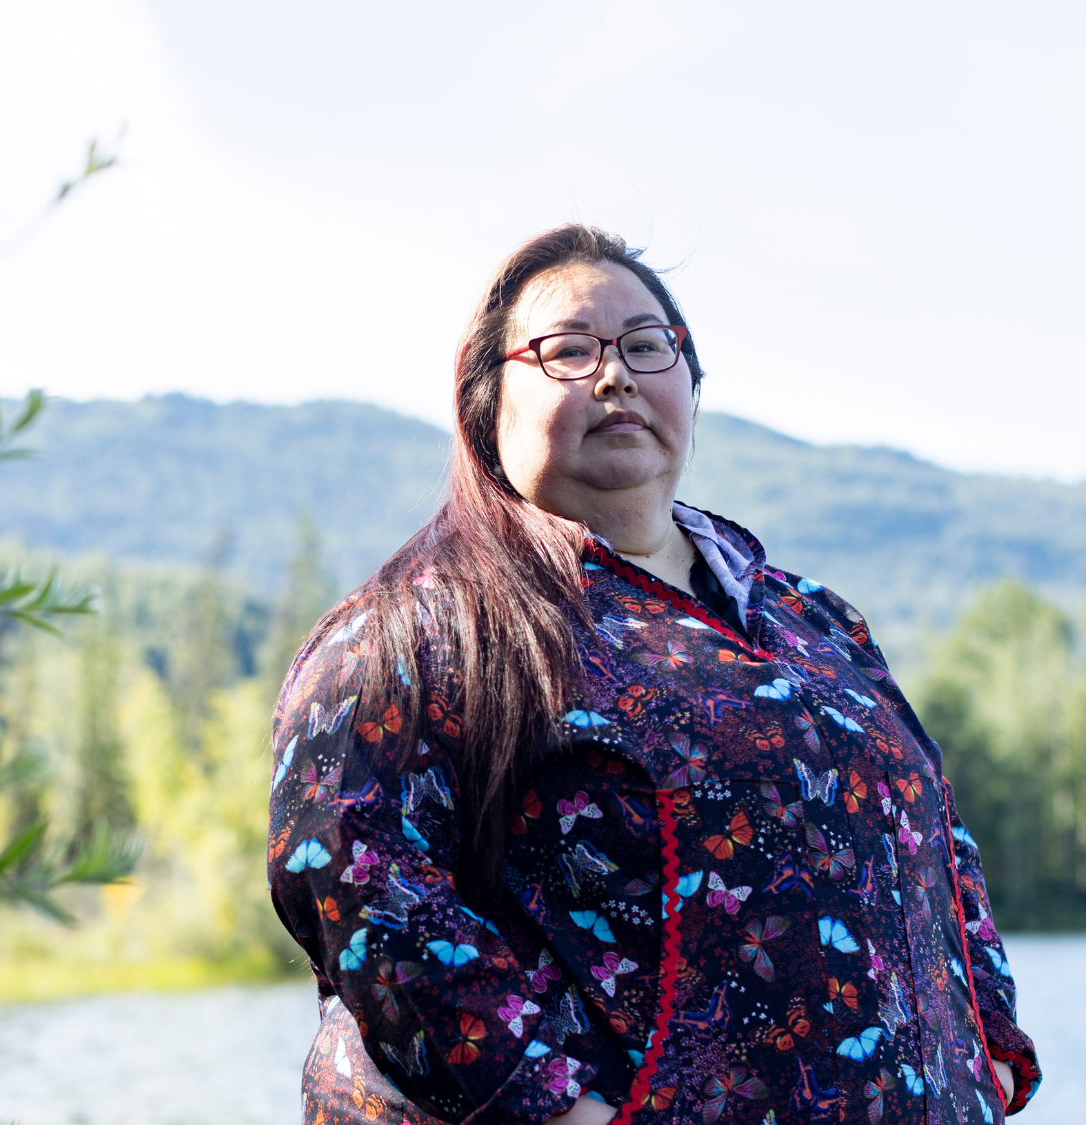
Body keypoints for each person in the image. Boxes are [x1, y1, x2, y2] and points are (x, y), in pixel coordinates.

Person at [268, 225, 1040, 1125]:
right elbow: (366, 889)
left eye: (646, 345)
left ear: (692, 385)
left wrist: (987, 1040)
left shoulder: (814, 619)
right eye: (567, 350)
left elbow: (933, 830)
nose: (615, 374)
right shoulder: (416, 632)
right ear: (486, 404)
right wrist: (563, 1112)